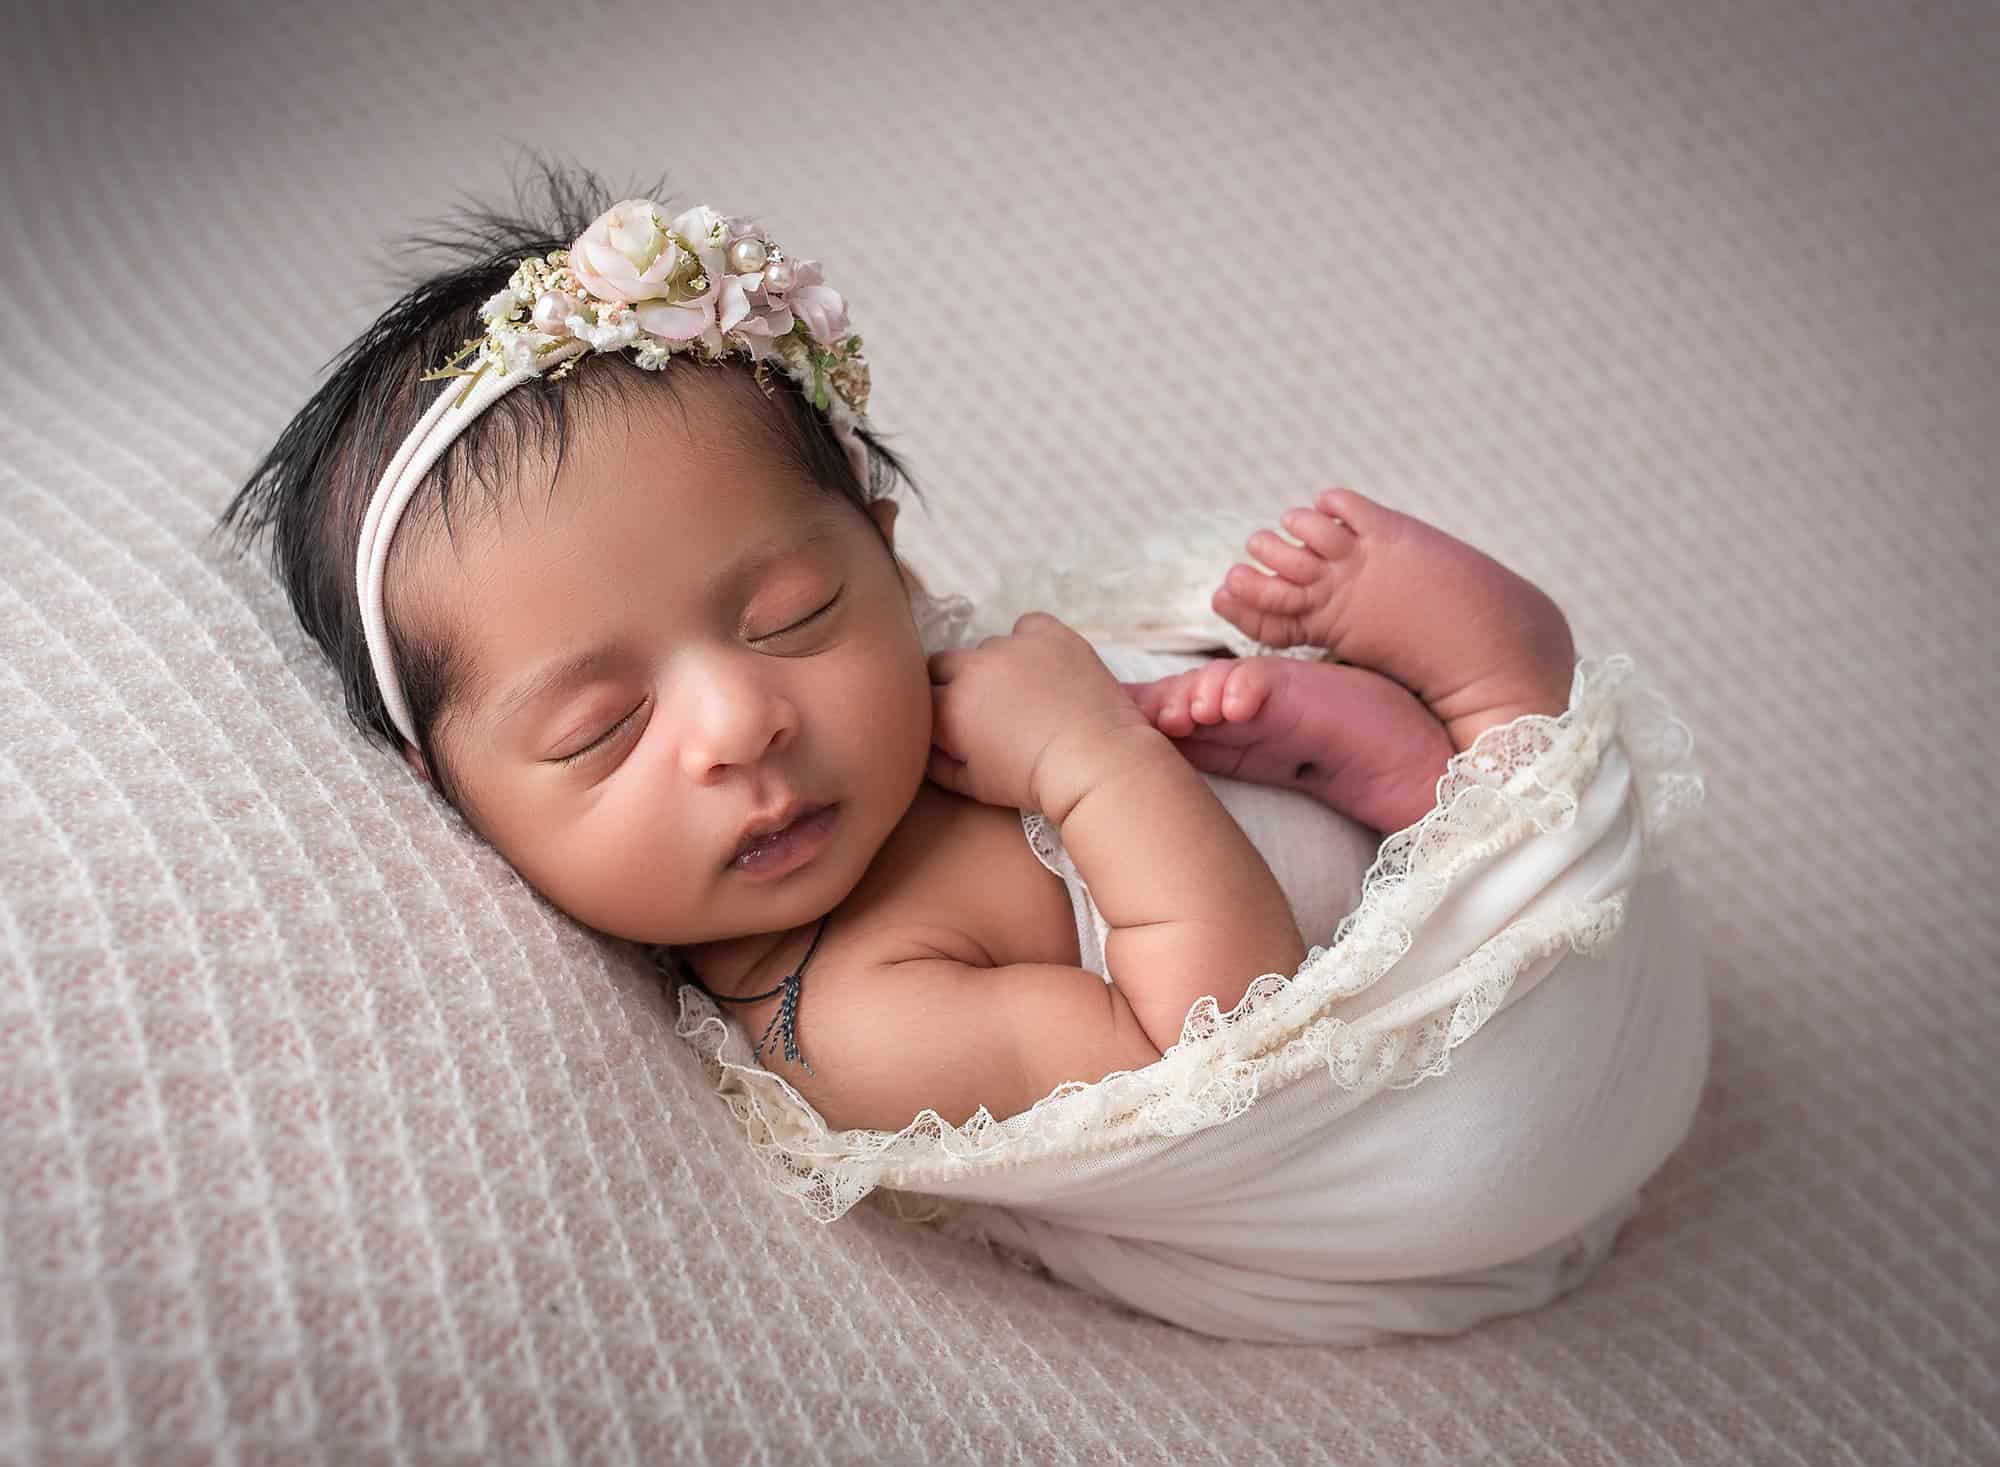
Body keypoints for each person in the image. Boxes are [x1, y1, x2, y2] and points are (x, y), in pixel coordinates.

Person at [220, 167, 1582, 1140]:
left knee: (1158, 642)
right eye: (600, 728)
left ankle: (1392, 759)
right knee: (1530, 920)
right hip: (1431, 1069)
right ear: (453, 788)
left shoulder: (906, 696)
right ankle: (1500, 710)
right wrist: (1094, 760)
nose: (740, 722)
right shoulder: (847, 1020)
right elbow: (1222, 1059)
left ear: (889, 563)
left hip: (1309, 829)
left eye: (793, 615)